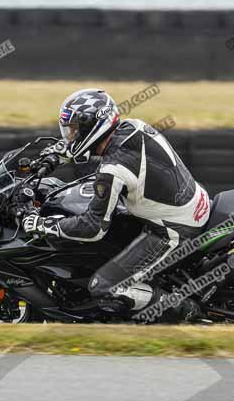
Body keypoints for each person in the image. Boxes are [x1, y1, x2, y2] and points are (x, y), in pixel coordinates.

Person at [23, 88, 210, 319]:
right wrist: (56, 155)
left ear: (92, 127)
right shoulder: (132, 127)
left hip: (173, 229)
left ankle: (185, 312)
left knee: (105, 288)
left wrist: (43, 224)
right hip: (189, 202)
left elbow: (93, 228)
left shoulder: (113, 169)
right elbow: (86, 145)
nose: (70, 136)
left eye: (73, 130)